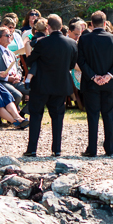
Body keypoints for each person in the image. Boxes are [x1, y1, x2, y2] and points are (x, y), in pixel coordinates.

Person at [24, 14, 78, 157]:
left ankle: (32, 149)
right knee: (58, 117)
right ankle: (57, 149)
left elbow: (30, 62)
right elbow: (72, 65)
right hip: (60, 84)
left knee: (36, 116)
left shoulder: (42, 43)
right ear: (61, 27)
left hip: (41, 84)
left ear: (48, 27)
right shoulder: (72, 43)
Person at [77, 11, 113, 157]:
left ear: (91, 24)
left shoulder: (84, 39)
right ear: (105, 23)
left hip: (91, 84)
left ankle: (92, 149)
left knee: (92, 116)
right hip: (109, 84)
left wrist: (93, 76)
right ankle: (109, 148)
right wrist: (109, 76)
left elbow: (81, 61)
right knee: (108, 115)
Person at [0, 28, 30, 113]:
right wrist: (7, 78)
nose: (9, 37)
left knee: (36, 92)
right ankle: (11, 115)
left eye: (10, 35)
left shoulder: (12, 53)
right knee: (17, 95)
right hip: (2, 82)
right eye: (7, 35)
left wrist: (18, 76)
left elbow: (19, 69)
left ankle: (22, 114)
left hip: (15, 81)